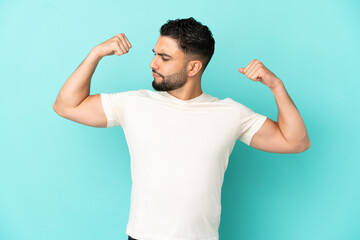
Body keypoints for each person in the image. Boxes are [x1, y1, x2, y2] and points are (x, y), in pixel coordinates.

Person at [53, 17, 310, 240]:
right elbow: (67, 106)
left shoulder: (230, 113)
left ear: (193, 67)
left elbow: (295, 142)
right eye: (154, 54)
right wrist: (95, 54)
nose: (153, 63)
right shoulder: (133, 103)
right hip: (143, 236)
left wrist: (276, 86)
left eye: (164, 58)